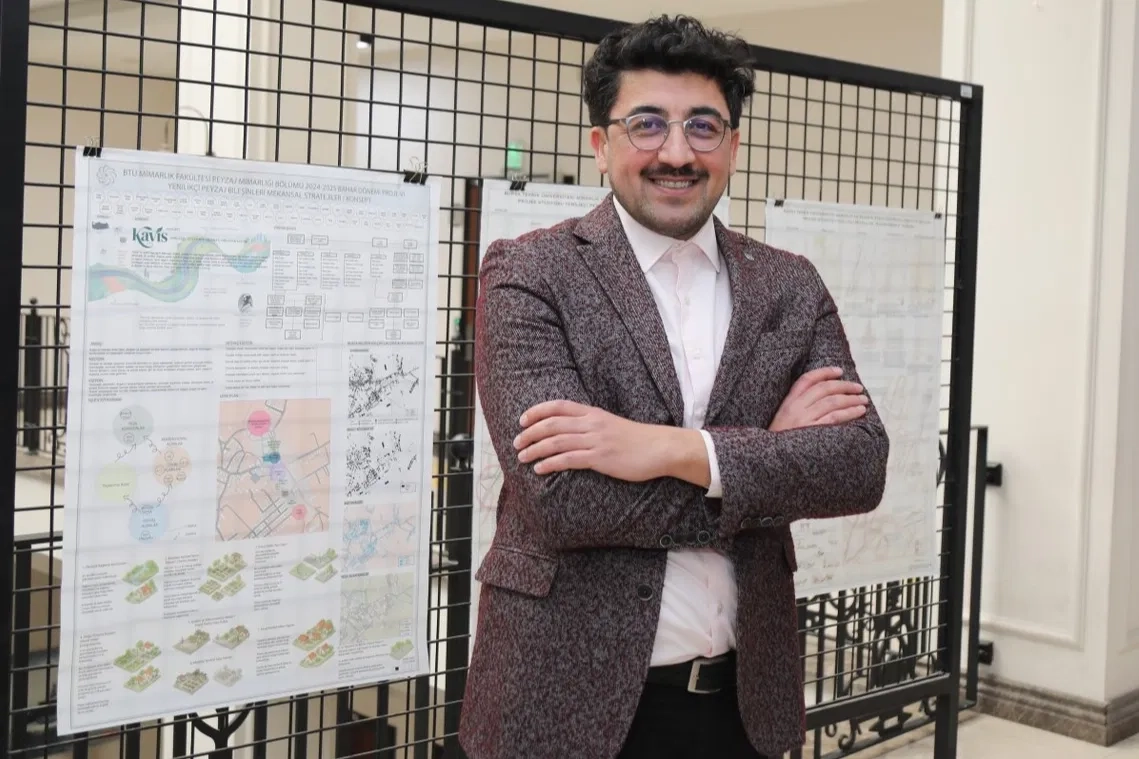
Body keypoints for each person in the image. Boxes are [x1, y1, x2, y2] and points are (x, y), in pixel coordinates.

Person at [458, 14, 889, 759]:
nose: (678, 153)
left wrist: (663, 449)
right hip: (560, 695)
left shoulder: (788, 285)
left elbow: (857, 466)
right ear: (601, 145)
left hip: (742, 703)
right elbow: (563, 501)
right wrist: (765, 458)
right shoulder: (530, 273)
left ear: (733, 146)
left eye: (703, 126)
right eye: (648, 124)